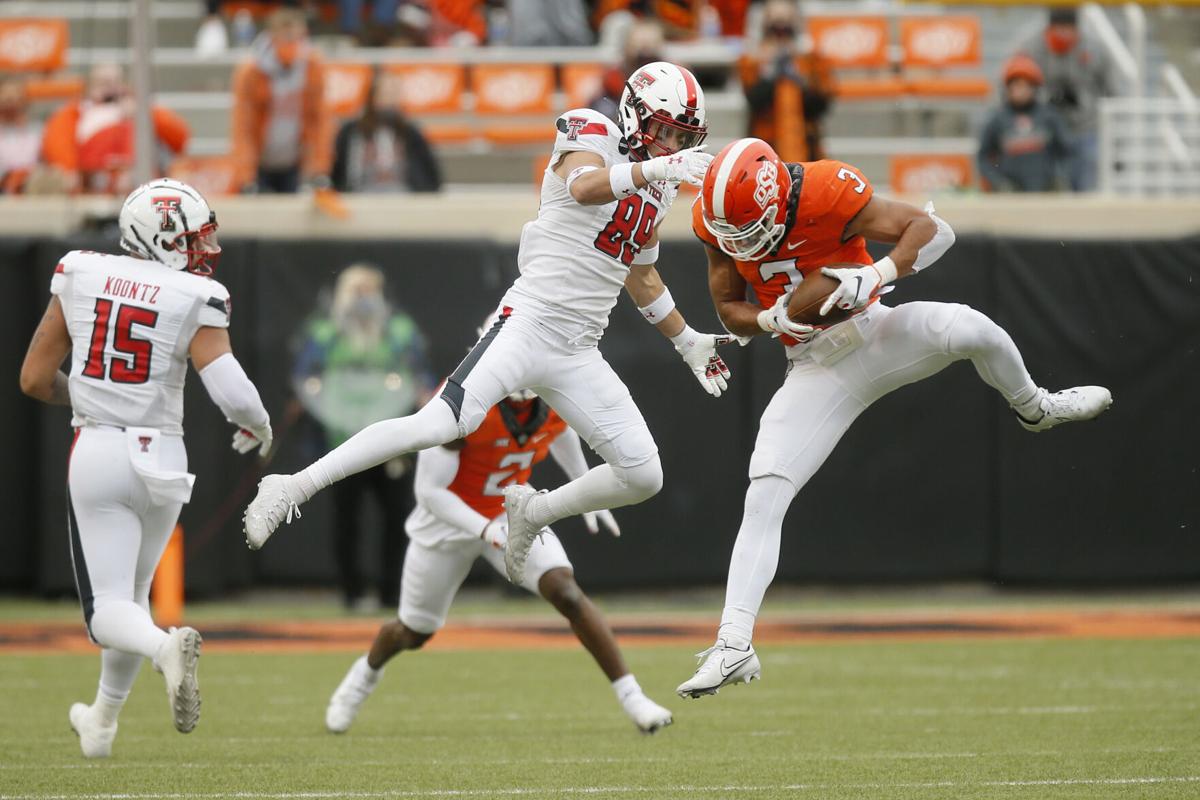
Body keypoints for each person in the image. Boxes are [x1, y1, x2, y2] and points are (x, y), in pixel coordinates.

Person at [243, 63, 730, 595]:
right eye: (666, 131)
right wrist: (656, 171)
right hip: (529, 322)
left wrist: (687, 342)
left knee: (642, 474)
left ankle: (533, 512)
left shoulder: (657, 185)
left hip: (579, 349)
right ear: (636, 114)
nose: (673, 146)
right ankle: (292, 486)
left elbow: (642, 274)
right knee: (437, 425)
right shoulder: (592, 130)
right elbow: (587, 186)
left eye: (684, 138)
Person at [675, 138, 1113, 698]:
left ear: (775, 193)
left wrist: (877, 273)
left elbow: (929, 230)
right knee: (765, 488)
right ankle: (734, 644)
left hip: (877, 331)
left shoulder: (827, 187)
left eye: (747, 227)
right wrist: (774, 317)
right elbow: (731, 313)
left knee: (972, 328)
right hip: (814, 366)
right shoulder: (716, 222)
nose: (740, 242)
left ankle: (1036, 407)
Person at [19, 179, 272, 757]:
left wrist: (87, 398)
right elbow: (232, 393)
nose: (206, 249)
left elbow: (34, 379)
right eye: (196, 237)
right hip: (165, 458)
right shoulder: (193, 296)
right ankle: (101, 723)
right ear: (163, 238)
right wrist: (259, 426)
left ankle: (163, 649)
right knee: (132, 596)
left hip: (103, 452)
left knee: (108, 612)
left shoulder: (80, 271)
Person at [324, 385, 674, 734]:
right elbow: (430, 493)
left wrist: (584, 485)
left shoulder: (553, 388)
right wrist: (487, 532)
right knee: (414, 631)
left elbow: (560, 429)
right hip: (445, 524)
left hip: (511, 512)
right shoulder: (464, 399)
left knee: (566, 592)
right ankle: (364, 676)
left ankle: (633, 697)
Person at [293, 265, 436, 609]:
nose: (364, 299)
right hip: (342, 438)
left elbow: (421, 376)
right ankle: (351, 592)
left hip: (392, 442)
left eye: (370, 290)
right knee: (347, 519)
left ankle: (392, 592)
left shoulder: (399, 332)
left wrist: (425, 398)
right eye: (357, 291)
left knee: (397, 516)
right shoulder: (325, 333)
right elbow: (305, 376)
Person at [40, 64, 190, 195]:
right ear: (89, 86)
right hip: (93, 183)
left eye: (113, 82)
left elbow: (180, 138)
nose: (109, 88)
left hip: (136, 182)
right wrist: (71, 172)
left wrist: (143, 113)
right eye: (102, 83)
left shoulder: (138, 110)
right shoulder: (76, 113)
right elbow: (57, 146)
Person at [230, 8, 332, 194]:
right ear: (272, 35)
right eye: (287, 37)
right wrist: (246, 176)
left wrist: (320, 169)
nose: (292, 44)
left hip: (293, 161)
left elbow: (320, 121)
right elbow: (243, 127)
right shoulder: (251, 72)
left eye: (297, 38)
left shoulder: (312, 67)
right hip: (261, 162)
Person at [1014, 7, 1115, 191]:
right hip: (1045, 128)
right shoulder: (1031, 48)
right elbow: (1015, 85)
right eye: (1059, 30)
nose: (1064, 35)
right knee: (1048, 183)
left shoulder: (1094, 49)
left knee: (1085, 178)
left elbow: (1112, 90)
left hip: (1085, 125)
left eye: (1068, 30)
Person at [738, 0, 834, 162]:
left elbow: (822, 103)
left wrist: (799, 80)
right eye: (774, 28)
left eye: (786, 27)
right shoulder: (752, 60)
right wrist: (769, 74)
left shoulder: (811, 59)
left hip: (806, 143)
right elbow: (753, 99)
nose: (780, 35)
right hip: (764, 143)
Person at [330, 73, 441, 193]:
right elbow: (337, 172)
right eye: (386, 93)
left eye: (395, 94)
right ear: (373, 96)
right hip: (360, 196)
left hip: (403, 198)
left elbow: (430, 173)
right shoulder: (351, 132)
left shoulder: (411, 133)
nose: (391, 99)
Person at [978, 55, 1073, 193]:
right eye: (1016, 85)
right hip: (1011, 193)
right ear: (1008, 88)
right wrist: (998, 182)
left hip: (1045, 190)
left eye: (1026, 85)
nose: (1021, 91)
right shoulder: (997, 119)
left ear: (1035, 88)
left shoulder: (1049, 116)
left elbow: (1067, 152)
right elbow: (983, 158)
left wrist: (1059, 177)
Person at [590, 18, 666, 124]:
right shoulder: (614, 77)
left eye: (651, 46)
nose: (645, 53)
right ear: (628, 46)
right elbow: (600, 112)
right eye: (639, 45)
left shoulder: (669, 76)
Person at [0, 76, 41, 194]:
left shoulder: (36, 131)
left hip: (30, 189)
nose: (11, 104)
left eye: (15, 98)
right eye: (6, 99)